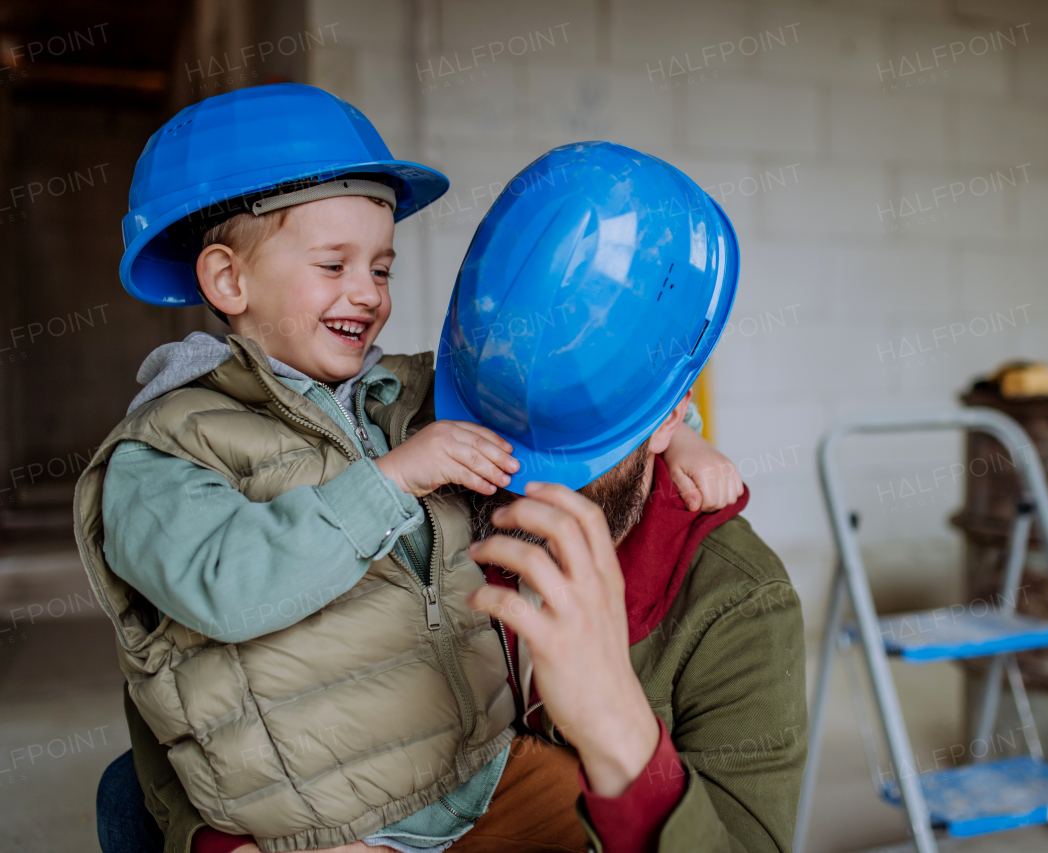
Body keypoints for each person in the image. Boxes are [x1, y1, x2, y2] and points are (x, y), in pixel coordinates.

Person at [79, 89, 740, 853]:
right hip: (332, 823)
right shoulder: (161, 451)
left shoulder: (401, 393)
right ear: (228, 280)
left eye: (382, 268)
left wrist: (674, 431)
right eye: (335, 265)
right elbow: (227, 585)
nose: (369, 293)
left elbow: (544, 397)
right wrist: (389, 481)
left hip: (483, 769)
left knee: (619, 833)